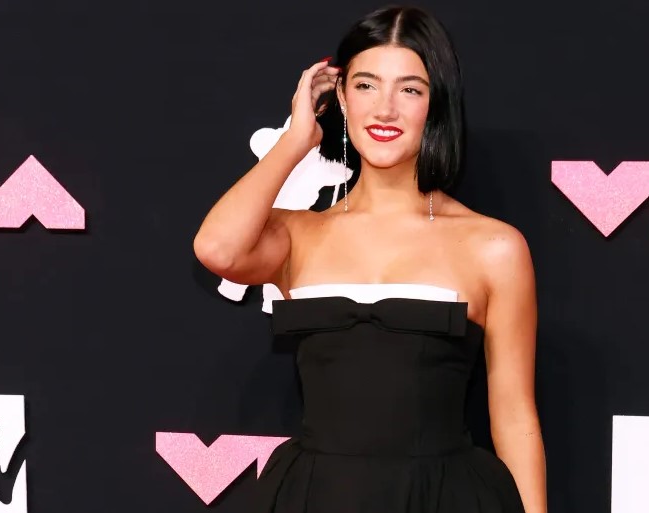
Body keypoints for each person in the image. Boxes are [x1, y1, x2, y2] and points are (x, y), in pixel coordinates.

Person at [193, 5, 547, 512]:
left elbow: (514, 416)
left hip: (443, 497)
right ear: (341, 96)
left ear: (437, 103)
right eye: (365, 85)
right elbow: (217, 249)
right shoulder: (299, 234)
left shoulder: (493, 247)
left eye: (410, 89)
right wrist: (296, 139)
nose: (385, 110)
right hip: (314, 497)